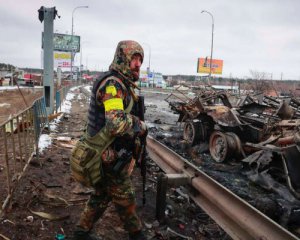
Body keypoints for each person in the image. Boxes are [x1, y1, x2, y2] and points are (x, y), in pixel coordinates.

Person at [73, 40, 147, 240]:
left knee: (102, 195)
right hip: (106, 154)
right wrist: (140, 125)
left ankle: (80, 232)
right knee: (125, 196)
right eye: (134, 58)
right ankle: (137, 234)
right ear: (123, 58)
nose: (138, 64)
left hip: (108, 152)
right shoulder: (113, 84)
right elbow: (115, 122)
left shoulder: (122, 83)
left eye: (140, 59)